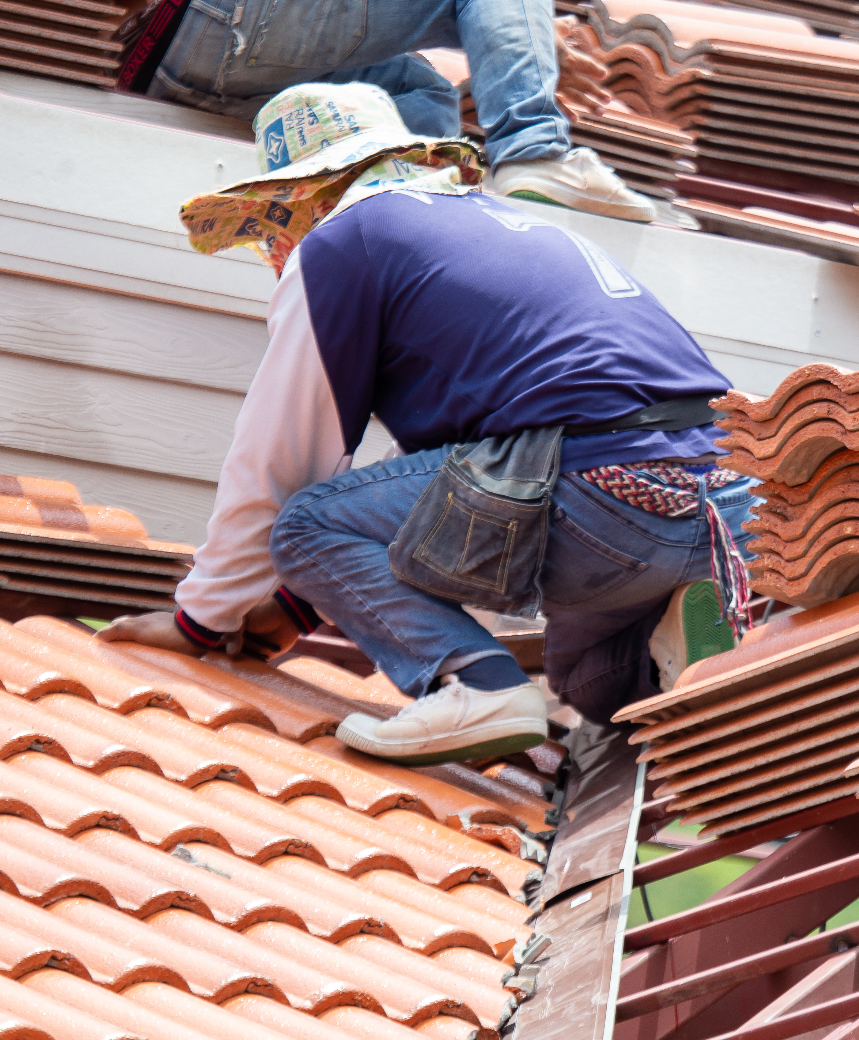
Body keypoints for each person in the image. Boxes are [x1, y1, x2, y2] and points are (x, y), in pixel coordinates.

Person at [101, 82, 753, 763]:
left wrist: (202, 619)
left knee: (302, 522)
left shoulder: (343, 242)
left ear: (306, 194)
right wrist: (297, 606)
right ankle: (681, 647)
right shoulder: (493, 226)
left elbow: (279, 457)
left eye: (271, 223)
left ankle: (476, 684)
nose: (273, 248)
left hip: (602, 496)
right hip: (724, 507)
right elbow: (434, 489)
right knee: (591, 684)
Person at [122, 0, 654, 222]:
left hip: (167, 63)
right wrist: (520, 31)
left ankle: (397, 216)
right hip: (223, 18)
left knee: (421, 97)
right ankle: (534, 150)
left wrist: (517, 36)